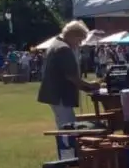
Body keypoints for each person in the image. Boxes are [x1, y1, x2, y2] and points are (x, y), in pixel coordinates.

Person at [37, 20, 100, 160]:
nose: (79, 44)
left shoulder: (55, 44)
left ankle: (67, 156)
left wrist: (85, 87)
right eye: (79, 40)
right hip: (61, 95)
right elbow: (72, 77)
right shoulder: (64, 48)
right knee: (68, 128)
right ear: (73, 35)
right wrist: (90, 85)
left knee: (64, 126)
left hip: (55, 94)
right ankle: (69, 159)